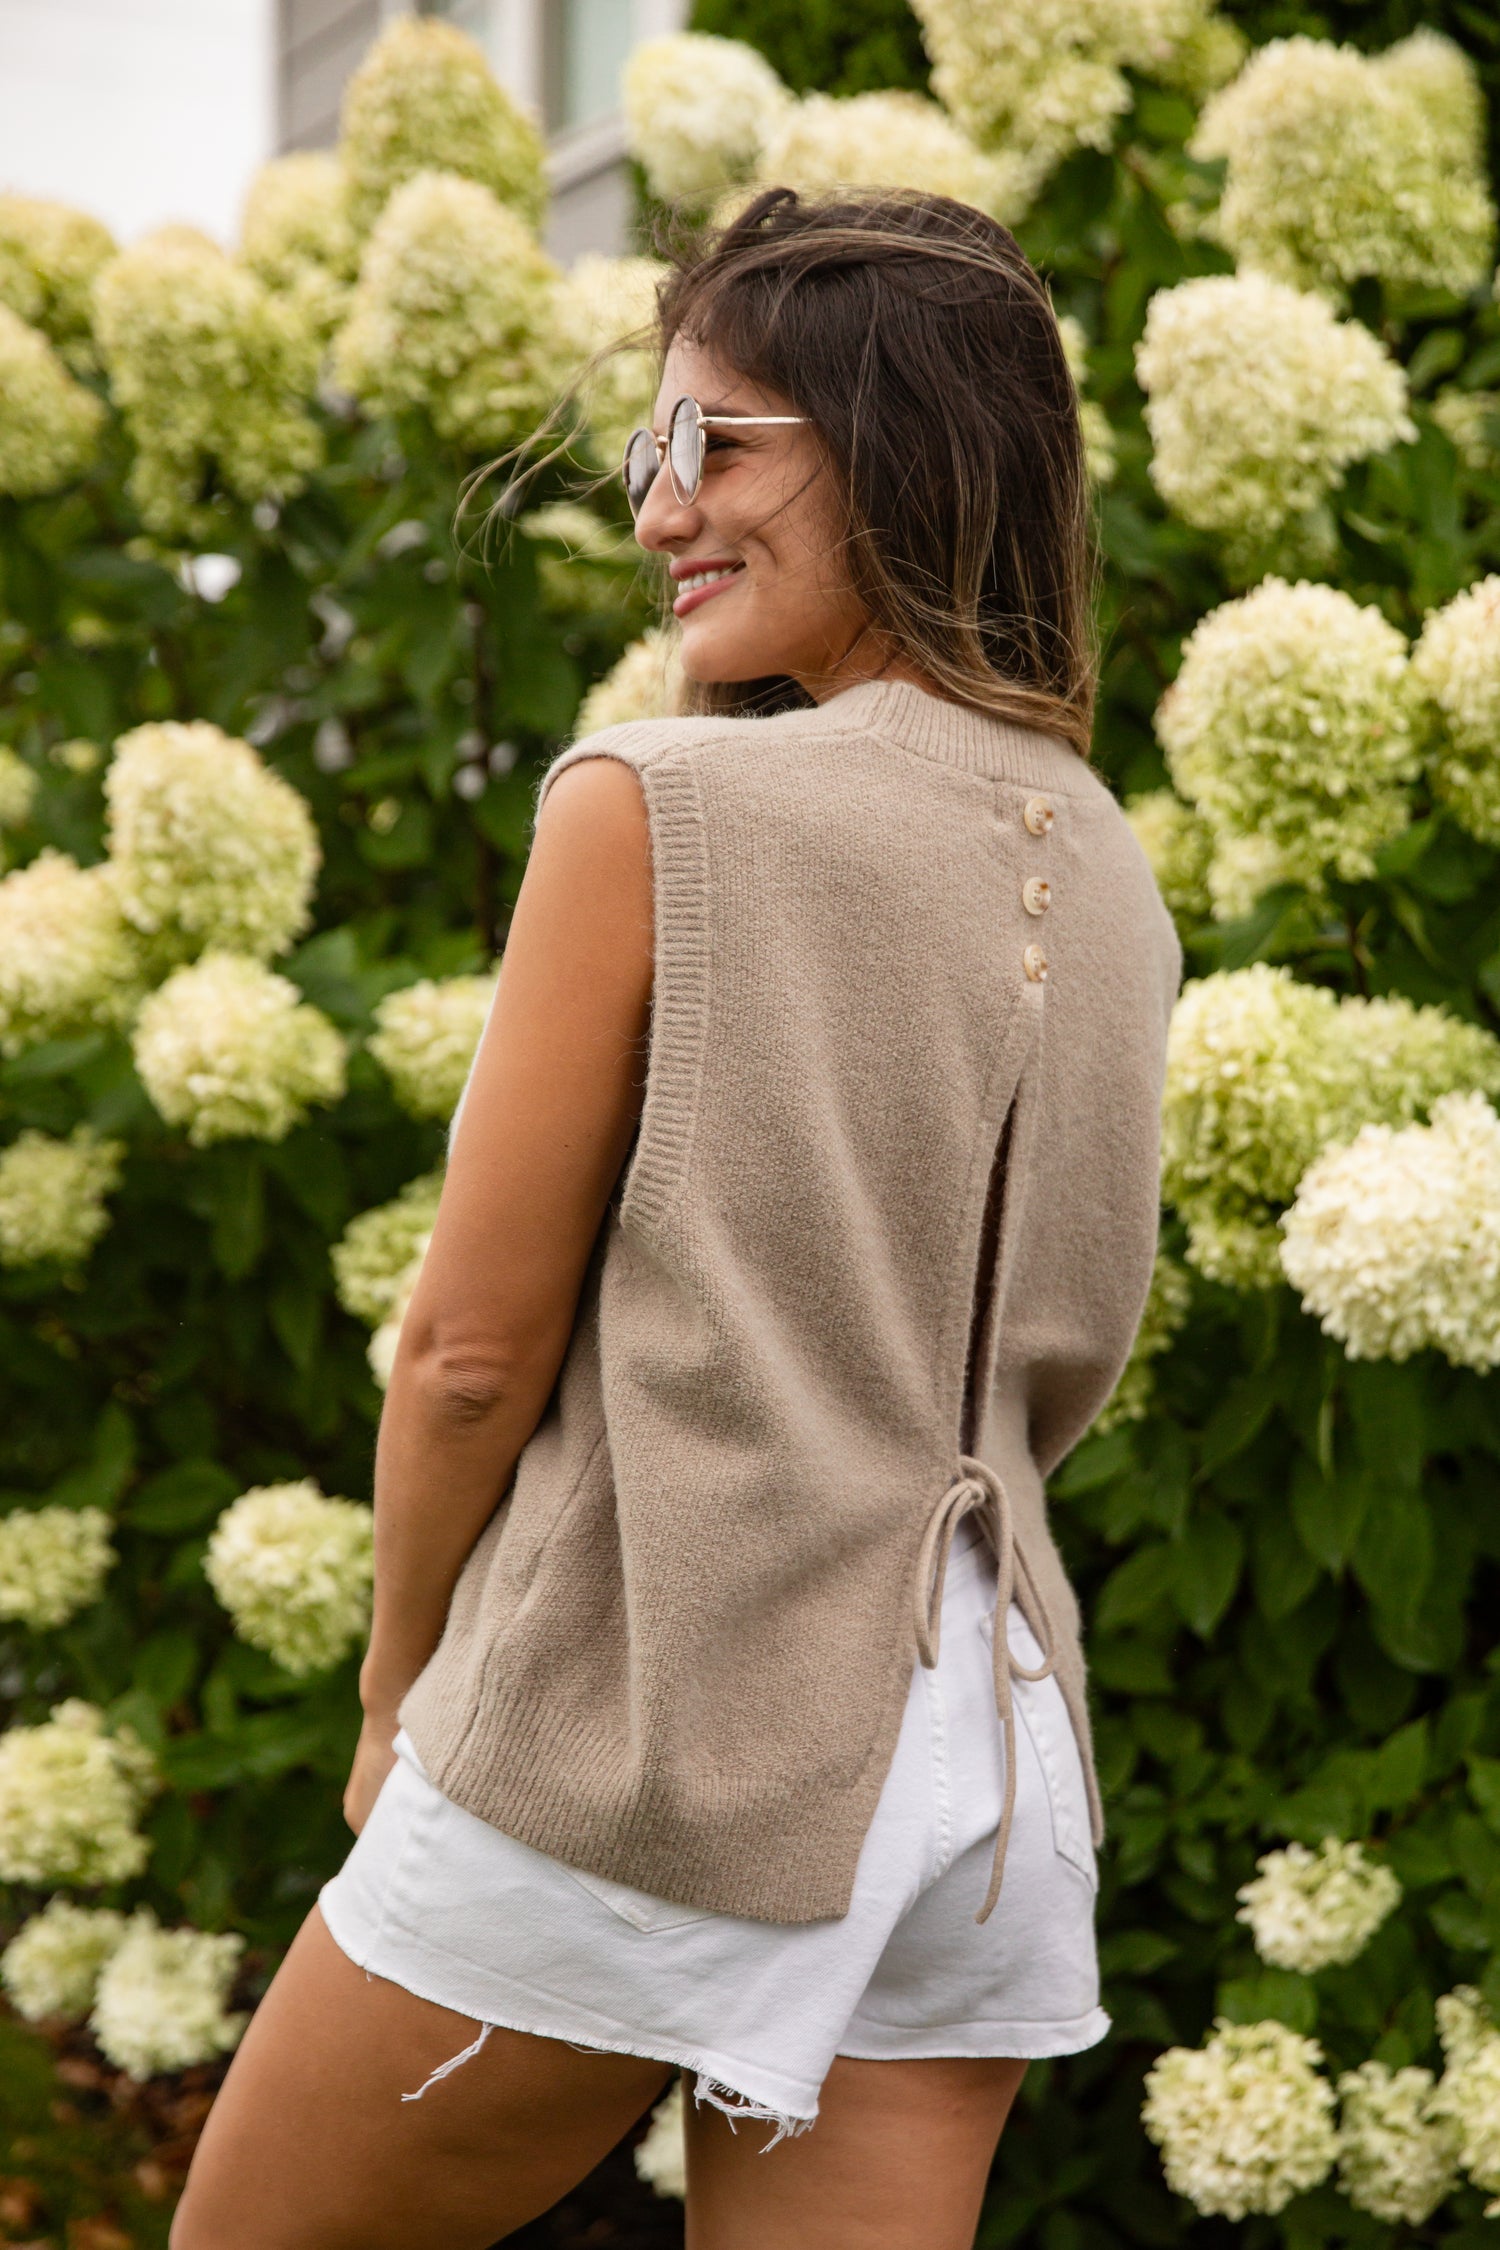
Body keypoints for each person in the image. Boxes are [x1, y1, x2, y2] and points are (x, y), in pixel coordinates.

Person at [172, 188, 1182, 2250]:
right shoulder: (1111, 868)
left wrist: (394, 1688)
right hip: (991, 1773)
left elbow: (467, 1354)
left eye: (715, 441)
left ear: (895, 447)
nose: (657, 508)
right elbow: (1058, 1366)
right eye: (655, 446)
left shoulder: (660, 805)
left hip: (658, 1720)